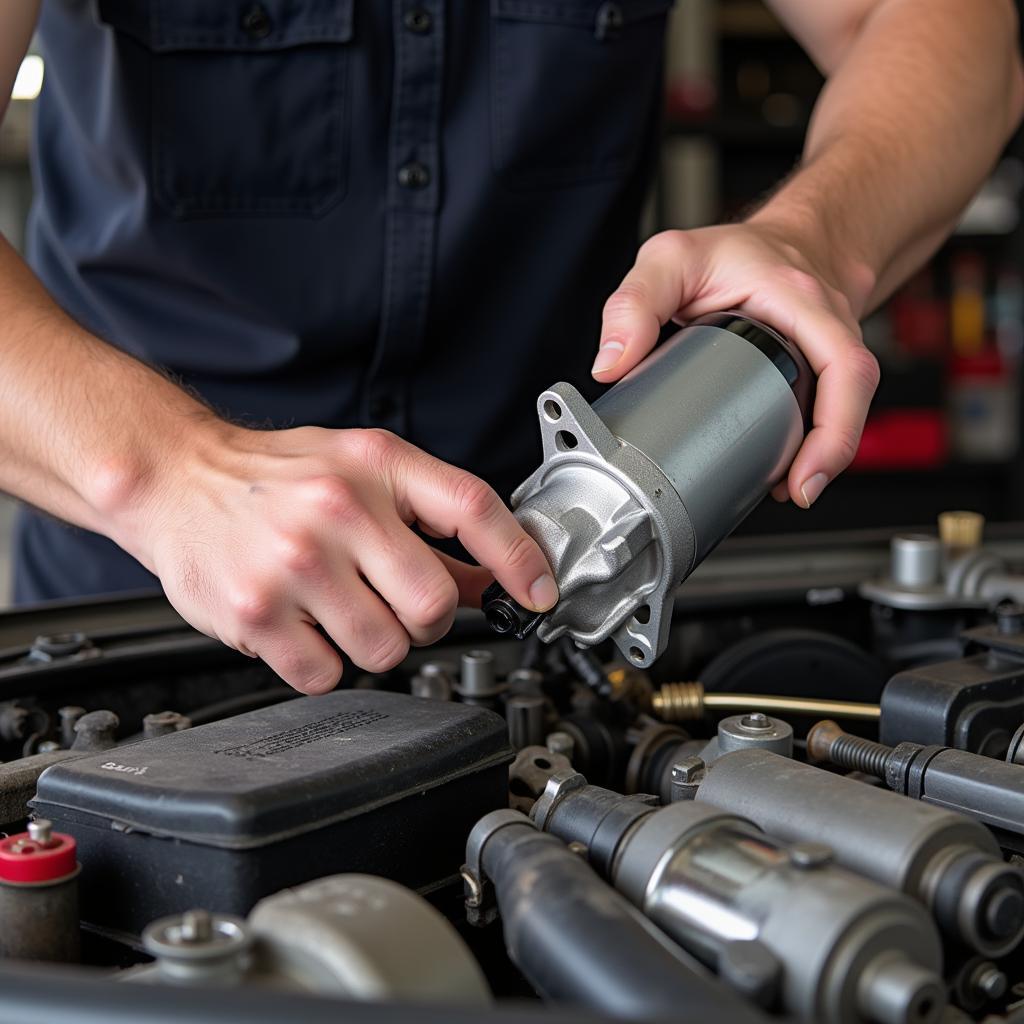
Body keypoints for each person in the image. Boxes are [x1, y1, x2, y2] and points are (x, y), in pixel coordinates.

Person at [0, 1, 1020, 693]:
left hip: (542, 612)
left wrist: (815, 239)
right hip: (140, 613)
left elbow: (949, 26)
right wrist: (169, 473)